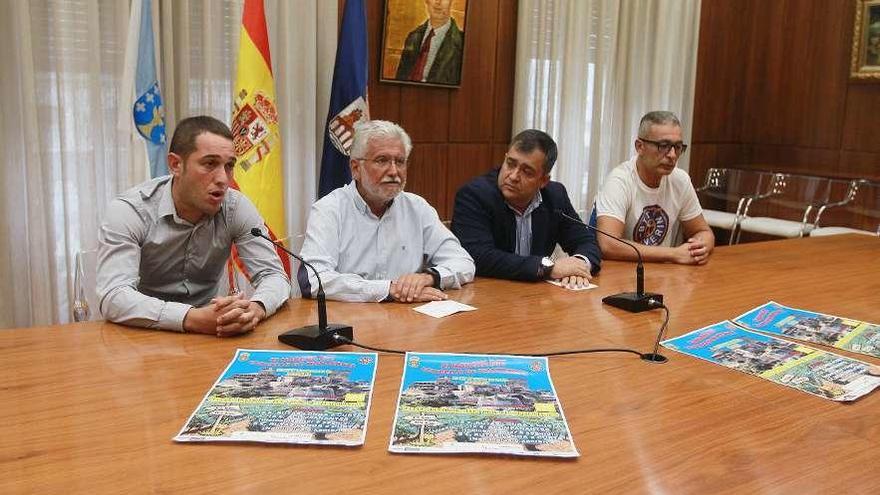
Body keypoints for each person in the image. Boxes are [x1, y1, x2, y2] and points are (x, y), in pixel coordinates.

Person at [97, 116, 291, 336]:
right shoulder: (130, 210)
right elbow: (113, 296)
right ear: (175, 165)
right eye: (210, 164)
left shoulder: (235, 207)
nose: (223, 179)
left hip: (211, 331)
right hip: (142, 333)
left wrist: (256, 309)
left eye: (229, 166)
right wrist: (191, 317)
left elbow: (274, 275)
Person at [298, 120, 474, 302]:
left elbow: (464, 262)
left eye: (400, 161)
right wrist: (388, 289)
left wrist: (429, 277)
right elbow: (313, 279)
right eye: (382, 161)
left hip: (409, 318)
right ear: (356, 168)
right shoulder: (329, 210)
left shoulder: (417, 208)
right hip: (351, 321)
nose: (394, 171)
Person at [451, 129, 601, 288]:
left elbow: (586, 241)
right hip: (489, 294)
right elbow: (478, 256)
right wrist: (548, 267)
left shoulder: (555, 196)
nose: (513, 176)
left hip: (536, 297)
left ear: (543, 181)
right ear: (505, 159)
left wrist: (578, 265)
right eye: (510, 164)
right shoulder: (475, 195)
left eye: (526, 171)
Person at [595, 111, 714, 265]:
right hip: (621, 272)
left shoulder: (680, 179)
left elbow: (704, 231)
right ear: (640, 147)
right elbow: (608, 244)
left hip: (663, 273)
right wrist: (673, 254)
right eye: (663, 146)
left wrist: (700, 247)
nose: (672, 155)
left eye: (677, 147)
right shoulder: (620, 180)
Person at [394, 0, 464, 85]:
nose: (438, 2)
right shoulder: (413, 37)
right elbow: (399, 81)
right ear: (426, 1)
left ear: (451, 2)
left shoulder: (462, 43)